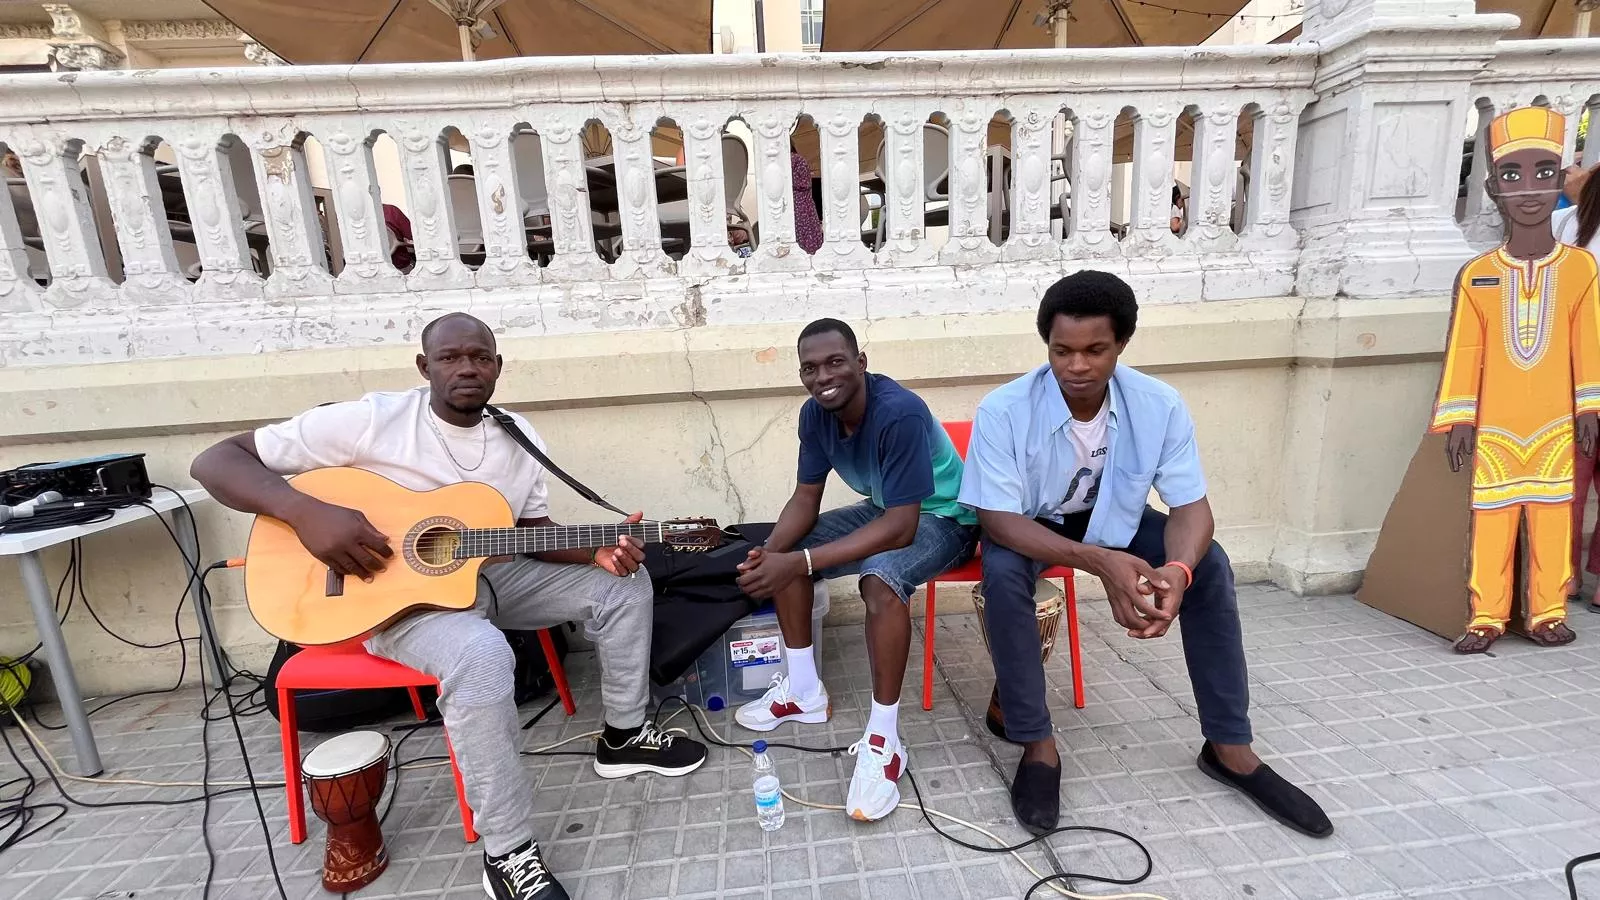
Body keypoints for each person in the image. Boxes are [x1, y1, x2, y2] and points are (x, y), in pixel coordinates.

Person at [190, 313, 706, 900]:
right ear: (424, 366)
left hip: (490, 575)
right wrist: (306, 512)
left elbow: (530, 529)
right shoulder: (371, 420)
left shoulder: (517, 436)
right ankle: (508, 852)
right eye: (451, 357)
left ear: (497, 367)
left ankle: (624, 736)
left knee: (625, 586)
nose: (468, 368)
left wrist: (598, 552)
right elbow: (215, 461)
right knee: (483, 653)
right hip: (392, 602)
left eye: (481, 358)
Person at [958, 271, 1332, 839]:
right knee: (1004, 573)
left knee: (1211, 565)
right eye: (1062, 350)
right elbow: (997, 519)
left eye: (1094, 350)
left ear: (1122, 345)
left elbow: (1192, 509)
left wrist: (1177, 573)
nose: (1076, 366)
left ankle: (1230, 749)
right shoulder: (1004, 409)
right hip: (1029, 526)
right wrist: (1099, 563)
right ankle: (1037, 746)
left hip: (1115, 520)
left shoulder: (1158, 404)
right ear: (1047, 347)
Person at [732, 318, 977, 821]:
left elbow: (903, 529)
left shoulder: (900, 413)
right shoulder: (814, 416)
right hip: (887, 508)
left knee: (881, 579)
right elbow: (805, 497)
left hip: (947, 517)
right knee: (788, 548)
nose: (823, 376)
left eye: (835, 362)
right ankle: (803, 692)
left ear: (860, 363)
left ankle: (884, 742)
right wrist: (770, 554)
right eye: (810, 368)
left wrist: (796, 561)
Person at [1432, 106, 1600, 653]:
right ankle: (1487, 615)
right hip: (1497, 423)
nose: (1528, 189)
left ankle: (1547, 610)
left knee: (1553, 513)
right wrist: (1458, 417)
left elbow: (1587, 343)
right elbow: (1465, 350)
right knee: (1493, 517)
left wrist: (1589, 408)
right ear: (1493, 188)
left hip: (1554, 422)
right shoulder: (1479, 274)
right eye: (1512, 176)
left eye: (1543, 173)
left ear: (1561, 180)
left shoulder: (1579, 269)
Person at [1551, 162, 1600, 613]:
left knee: (1570, 478)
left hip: (1574, 370)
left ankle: (1560, 578)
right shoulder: (1568, 221)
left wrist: (1568, 191)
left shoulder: (1566, 223)